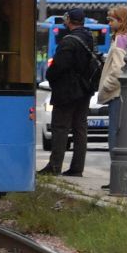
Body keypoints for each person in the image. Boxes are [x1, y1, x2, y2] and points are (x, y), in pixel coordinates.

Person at [43, 11, 98, 178]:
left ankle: (54, 166)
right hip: (84, 89)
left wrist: (49, 76)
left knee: (60, 127)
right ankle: (77, 168)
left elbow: (59, 66)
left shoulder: (68, 41)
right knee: (80, 128)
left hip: (67, 91)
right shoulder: (89, 38)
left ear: (69, 20)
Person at [97, 4, 127, 155]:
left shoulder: (120, 40)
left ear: (121, 20)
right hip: (124, 93)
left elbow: (117, 70)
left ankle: (116, 172)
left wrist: (105, 87)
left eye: (112, 20)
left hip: (116, 94)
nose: (109, 23)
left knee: (114, 134)